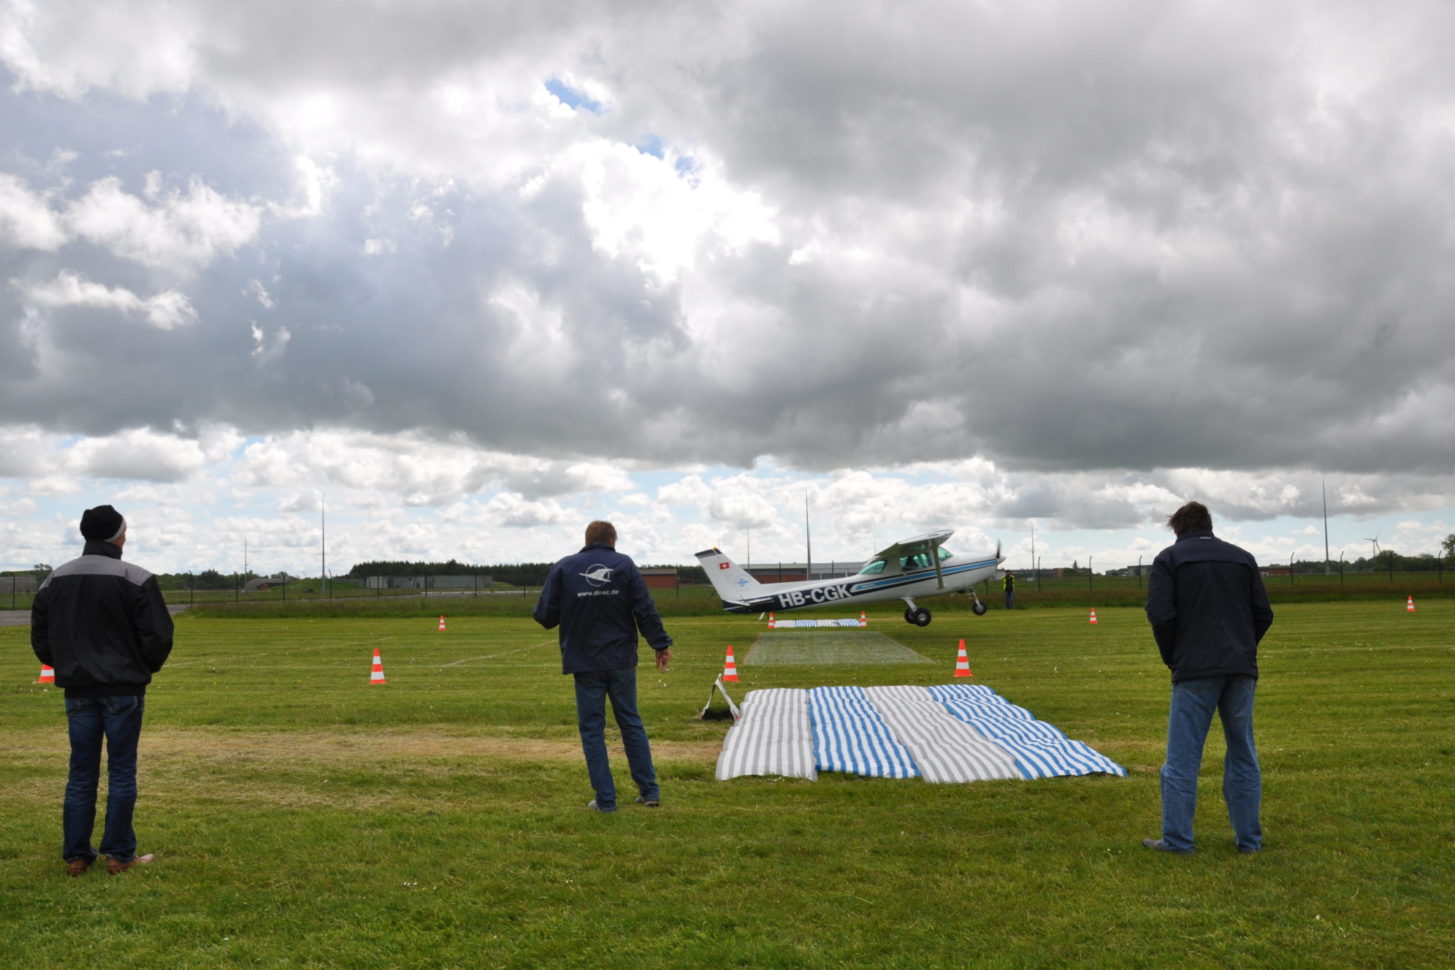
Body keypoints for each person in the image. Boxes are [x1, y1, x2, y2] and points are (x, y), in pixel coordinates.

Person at [30, 505, 174, 876]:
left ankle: (77, 855)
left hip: (77, 689)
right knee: (121, 771)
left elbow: (42, 638)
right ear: (118, 536)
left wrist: (64, 664)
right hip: (124, 689)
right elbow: (158, 636)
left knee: (81, 772)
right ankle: (119, 855)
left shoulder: (54, 580)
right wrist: (140, 668)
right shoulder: (136, 578)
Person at [1143, 501, 1273, 855]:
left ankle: (1177, 840)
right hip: (1241, 667)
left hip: (1194, 669)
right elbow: (1263, 613)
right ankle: (1249, 841)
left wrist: (1173, 656)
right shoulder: (1243, 558)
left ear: (1177, 528)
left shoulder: (1169, 560)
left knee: (1183, 759)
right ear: (1209, 525)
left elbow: (1160, 615)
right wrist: (1243, 647)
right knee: (1243, 753)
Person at [534, 521, 673, 812]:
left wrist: (573, 604)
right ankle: (649, 791)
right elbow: (644, 608)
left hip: (585, 662)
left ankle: (606, 801)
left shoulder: (564, 567)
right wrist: (659, 643)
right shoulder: (623, 565)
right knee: (631, 722)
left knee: (592, 730)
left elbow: (545, 615)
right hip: (621, 659)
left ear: (586, 540)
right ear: (612, 540)